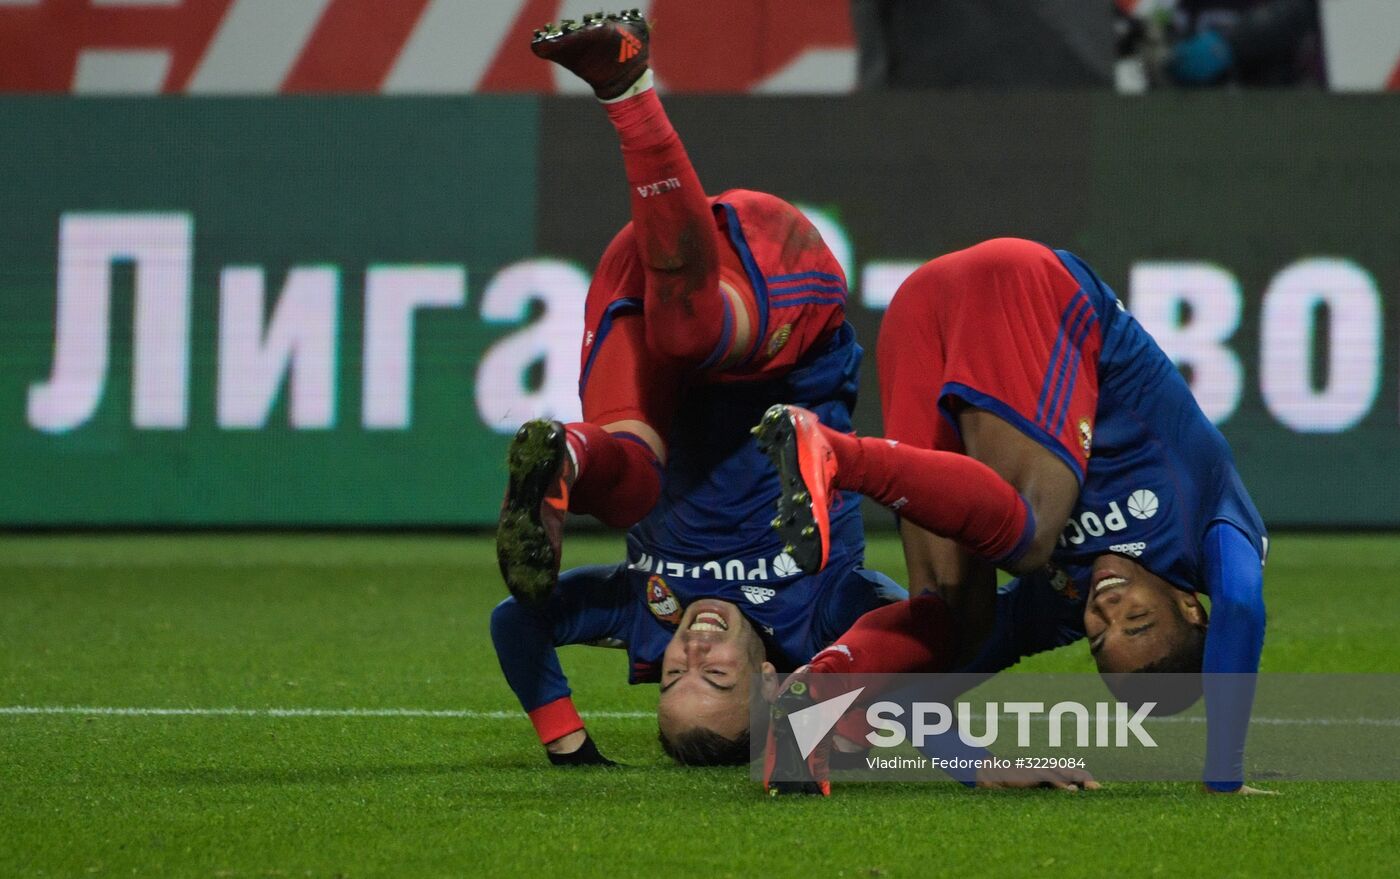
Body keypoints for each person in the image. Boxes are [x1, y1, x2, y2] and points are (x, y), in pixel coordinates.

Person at [491, 10, 899, 766]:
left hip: (648, 283)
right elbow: (919, 642)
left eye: (672, 673)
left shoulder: (643, 619)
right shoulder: (823, 619)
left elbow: (512, 620)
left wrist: (568, 744)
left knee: (632, 466)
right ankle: (627, 90)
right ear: (771, 679)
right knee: (690, 334)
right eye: (713, 672)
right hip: (780, 291)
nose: (692, 646)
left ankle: (567, 465)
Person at [754, 237, 1268, 794]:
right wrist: (1223, 776)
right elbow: (1240, 606)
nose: (1107, 613)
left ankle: (811, 700)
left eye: (1099, 640)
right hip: (1032, 289)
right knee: (1029, 540)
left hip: (919, 311)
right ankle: (839, 456)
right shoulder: (1206, 533)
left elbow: (917, 690)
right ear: (1192, 607)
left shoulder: (1066, 601)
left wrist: (974, 765)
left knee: (948, 623)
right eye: (1138, 621)